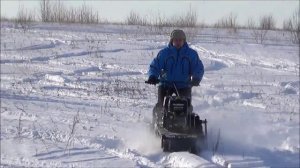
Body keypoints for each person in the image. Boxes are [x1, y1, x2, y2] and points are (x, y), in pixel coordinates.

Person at [146, 29, 204, 107]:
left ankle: (187, 118)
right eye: (176, 40)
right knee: (161, 106)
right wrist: (152, 76)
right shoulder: (164, 53)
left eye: (180, 40)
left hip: (184, 85)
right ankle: (157, 118)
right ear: (172, 40)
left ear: (184, 41)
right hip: (165, 84)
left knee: (187, 107)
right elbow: (155, 65)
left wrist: (196, 78)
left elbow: (198, 67)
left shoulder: (191, 54)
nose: (178, 42)